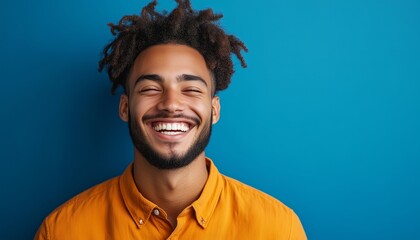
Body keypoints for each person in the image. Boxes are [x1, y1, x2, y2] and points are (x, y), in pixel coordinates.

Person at [34, 0, 307, 239]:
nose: (171, 104)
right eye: (151, 88)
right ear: (125, 108)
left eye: (190, 89)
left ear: (214, 110)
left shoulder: (279, 229)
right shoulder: (62, 230)